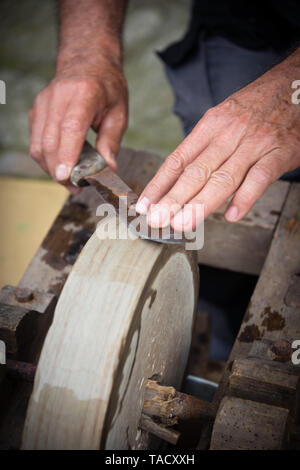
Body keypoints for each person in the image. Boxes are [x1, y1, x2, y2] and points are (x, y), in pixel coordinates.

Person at [29, 0, 300, 359]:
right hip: (247, 25)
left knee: (269, 172)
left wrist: (290, 92)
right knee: (215, 169)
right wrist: (89, 52)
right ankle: (207, 329)